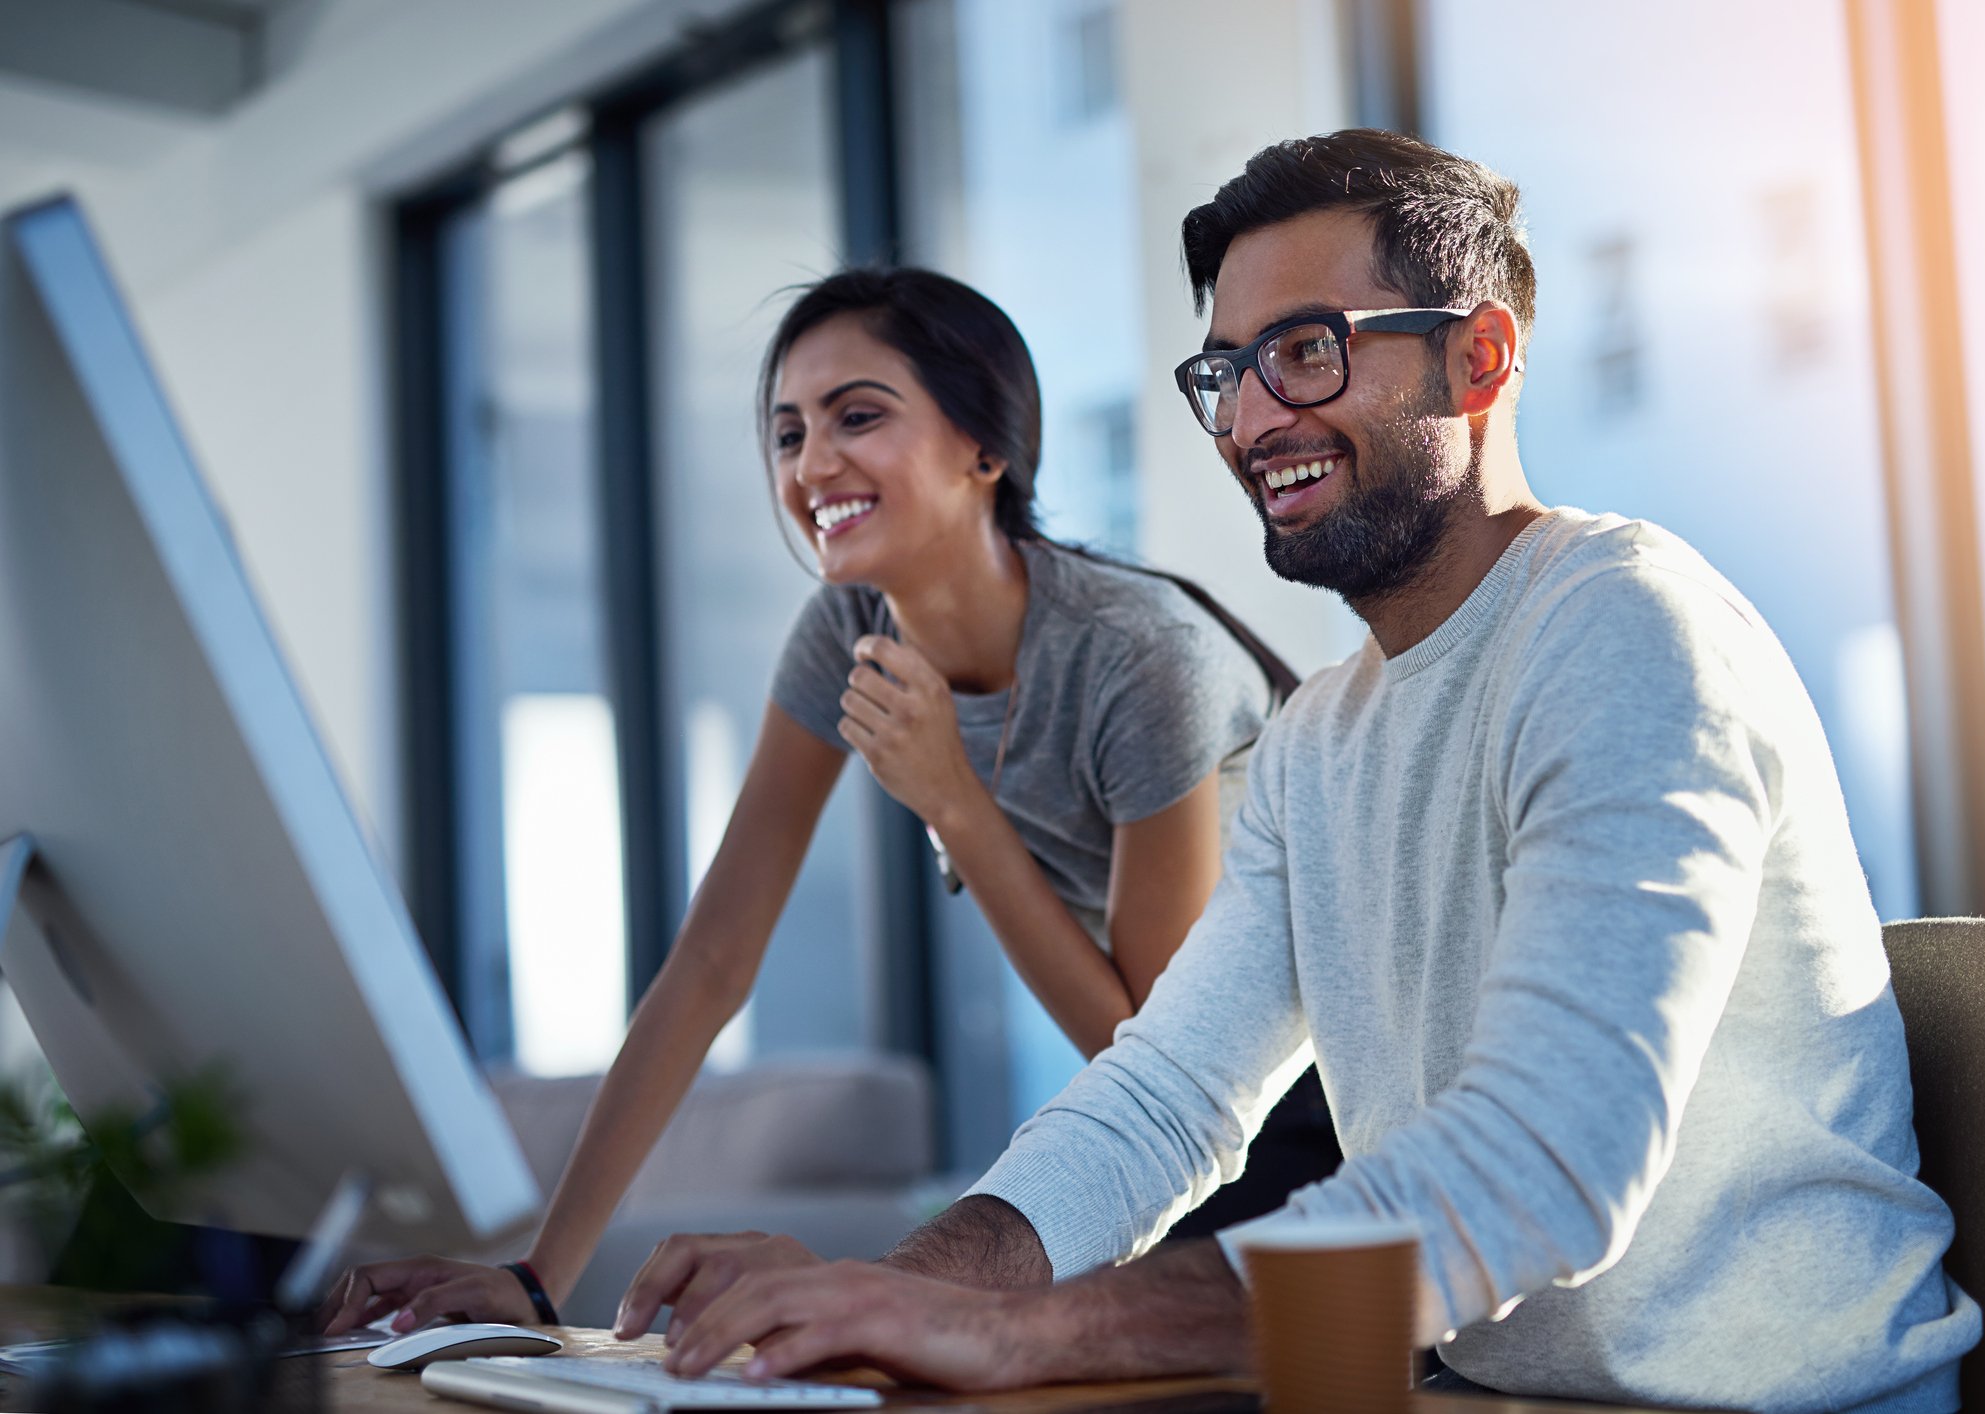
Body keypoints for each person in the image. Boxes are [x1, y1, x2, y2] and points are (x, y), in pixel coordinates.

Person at [607, 131, 1984, 1414]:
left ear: (1479, 360)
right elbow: (1163, 1100)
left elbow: (1544, 1167)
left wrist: (1018, 1331)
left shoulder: (1623, 628)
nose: (1250, 416)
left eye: (1306, 352)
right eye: (1226, 369)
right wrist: (893, 1290)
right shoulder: (1321, 735)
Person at [320, 268, 1341, 1336]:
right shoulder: (844, 628)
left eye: (859, 416)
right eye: (787, 433)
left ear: (983, 449)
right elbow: (712, 960)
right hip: (1158, 1125)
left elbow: (1147, 1050)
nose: (813, 464)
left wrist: (954, 804)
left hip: (1309, 1098)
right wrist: (537, 1278)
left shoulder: (1140, 658)